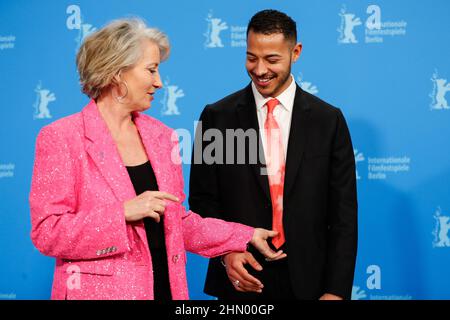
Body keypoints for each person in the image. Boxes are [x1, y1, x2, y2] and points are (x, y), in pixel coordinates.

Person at [29, 18, 286, 300]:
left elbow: (178, 222)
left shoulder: (162, 137)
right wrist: (123, 212)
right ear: (117, 72)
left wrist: (244, 235)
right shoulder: (62, 137)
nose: (159, 82)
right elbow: (47, 233)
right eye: (151, 70)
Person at [189, 9, 358, 300]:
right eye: (251, 57)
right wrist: (227, 252)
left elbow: (343, 214)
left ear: (296, 52)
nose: (259, 69)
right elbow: (204, 200)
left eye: (272, 59)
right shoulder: (217, 117)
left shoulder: (327, 120)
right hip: (241, 279)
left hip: (311, 282)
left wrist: (336, 291)